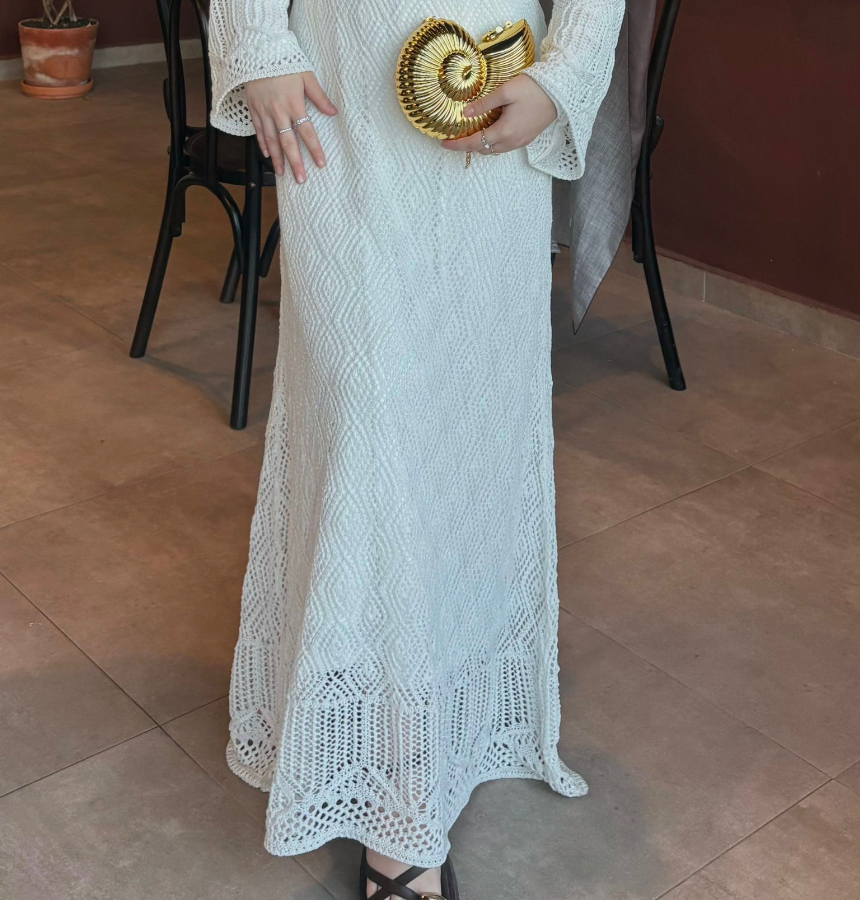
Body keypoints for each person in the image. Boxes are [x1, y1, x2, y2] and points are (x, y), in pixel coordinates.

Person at [208, 1, 624, 897]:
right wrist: (256, 39)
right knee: (364, 425)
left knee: (467, 438)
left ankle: (441, 719)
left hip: (487, 95)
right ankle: (393, 807)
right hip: (337, 103)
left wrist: (561, 78)